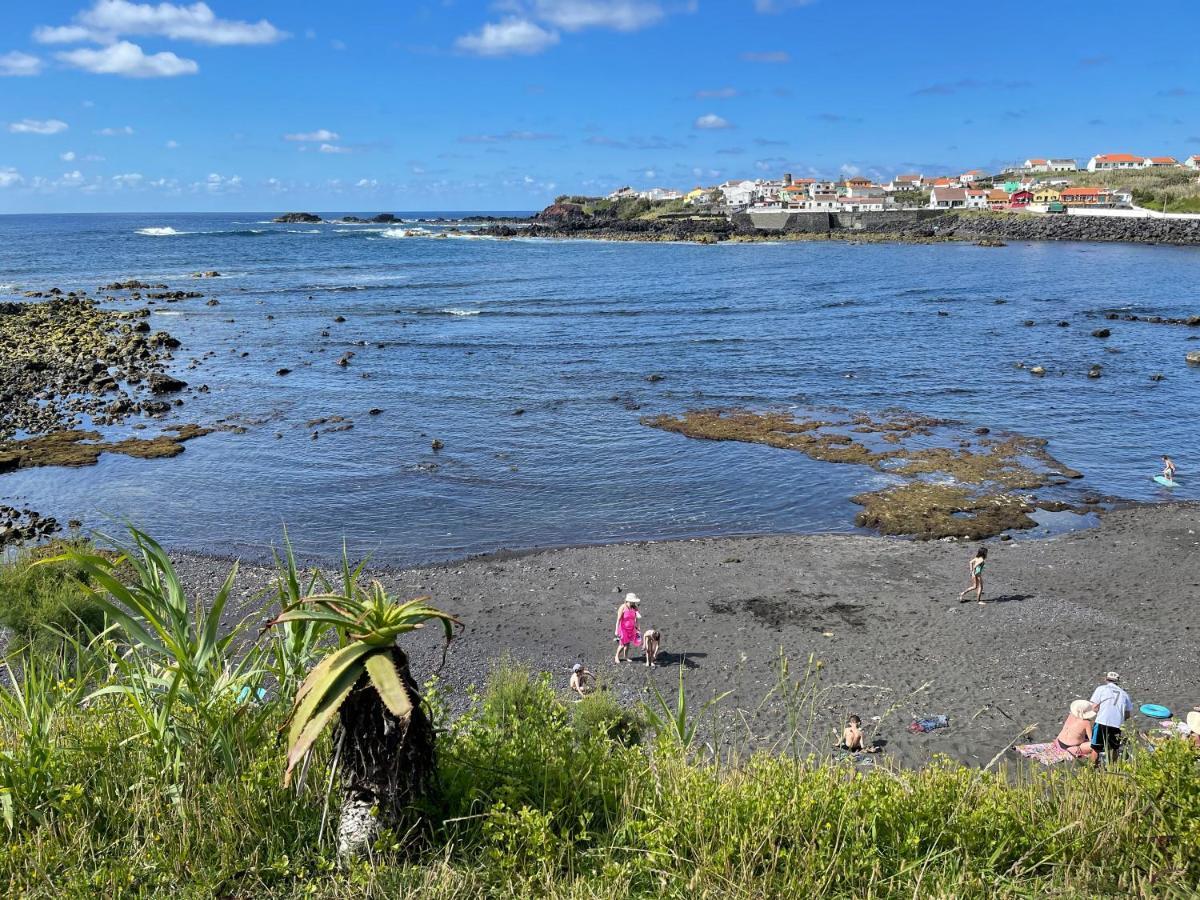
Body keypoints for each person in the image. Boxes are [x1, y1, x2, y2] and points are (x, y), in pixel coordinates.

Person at [1089, 672, 1134, 764]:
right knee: (1114, 748)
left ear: (1106, 679)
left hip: (1102, 721)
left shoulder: (1101, 689)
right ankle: (1113, 769)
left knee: (1096, 748)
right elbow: (1128, 715)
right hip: (1117, 725)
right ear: (1118, 682)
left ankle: (1092, 769)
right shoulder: (1124, 694)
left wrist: (1102, 712)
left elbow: (1094, 707)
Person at [613, 593, 642, 664]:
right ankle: (616, 656)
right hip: (623, 629)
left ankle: (626, 657)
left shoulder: (635, 608)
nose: (634, 603)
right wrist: (616, 630)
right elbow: (618, 620)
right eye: (633, 601)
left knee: (628, 644)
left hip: (631, 628)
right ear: (628, 601)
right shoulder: (622, 607)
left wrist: (638, 627)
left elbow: (637, 618)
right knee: (622, 644)